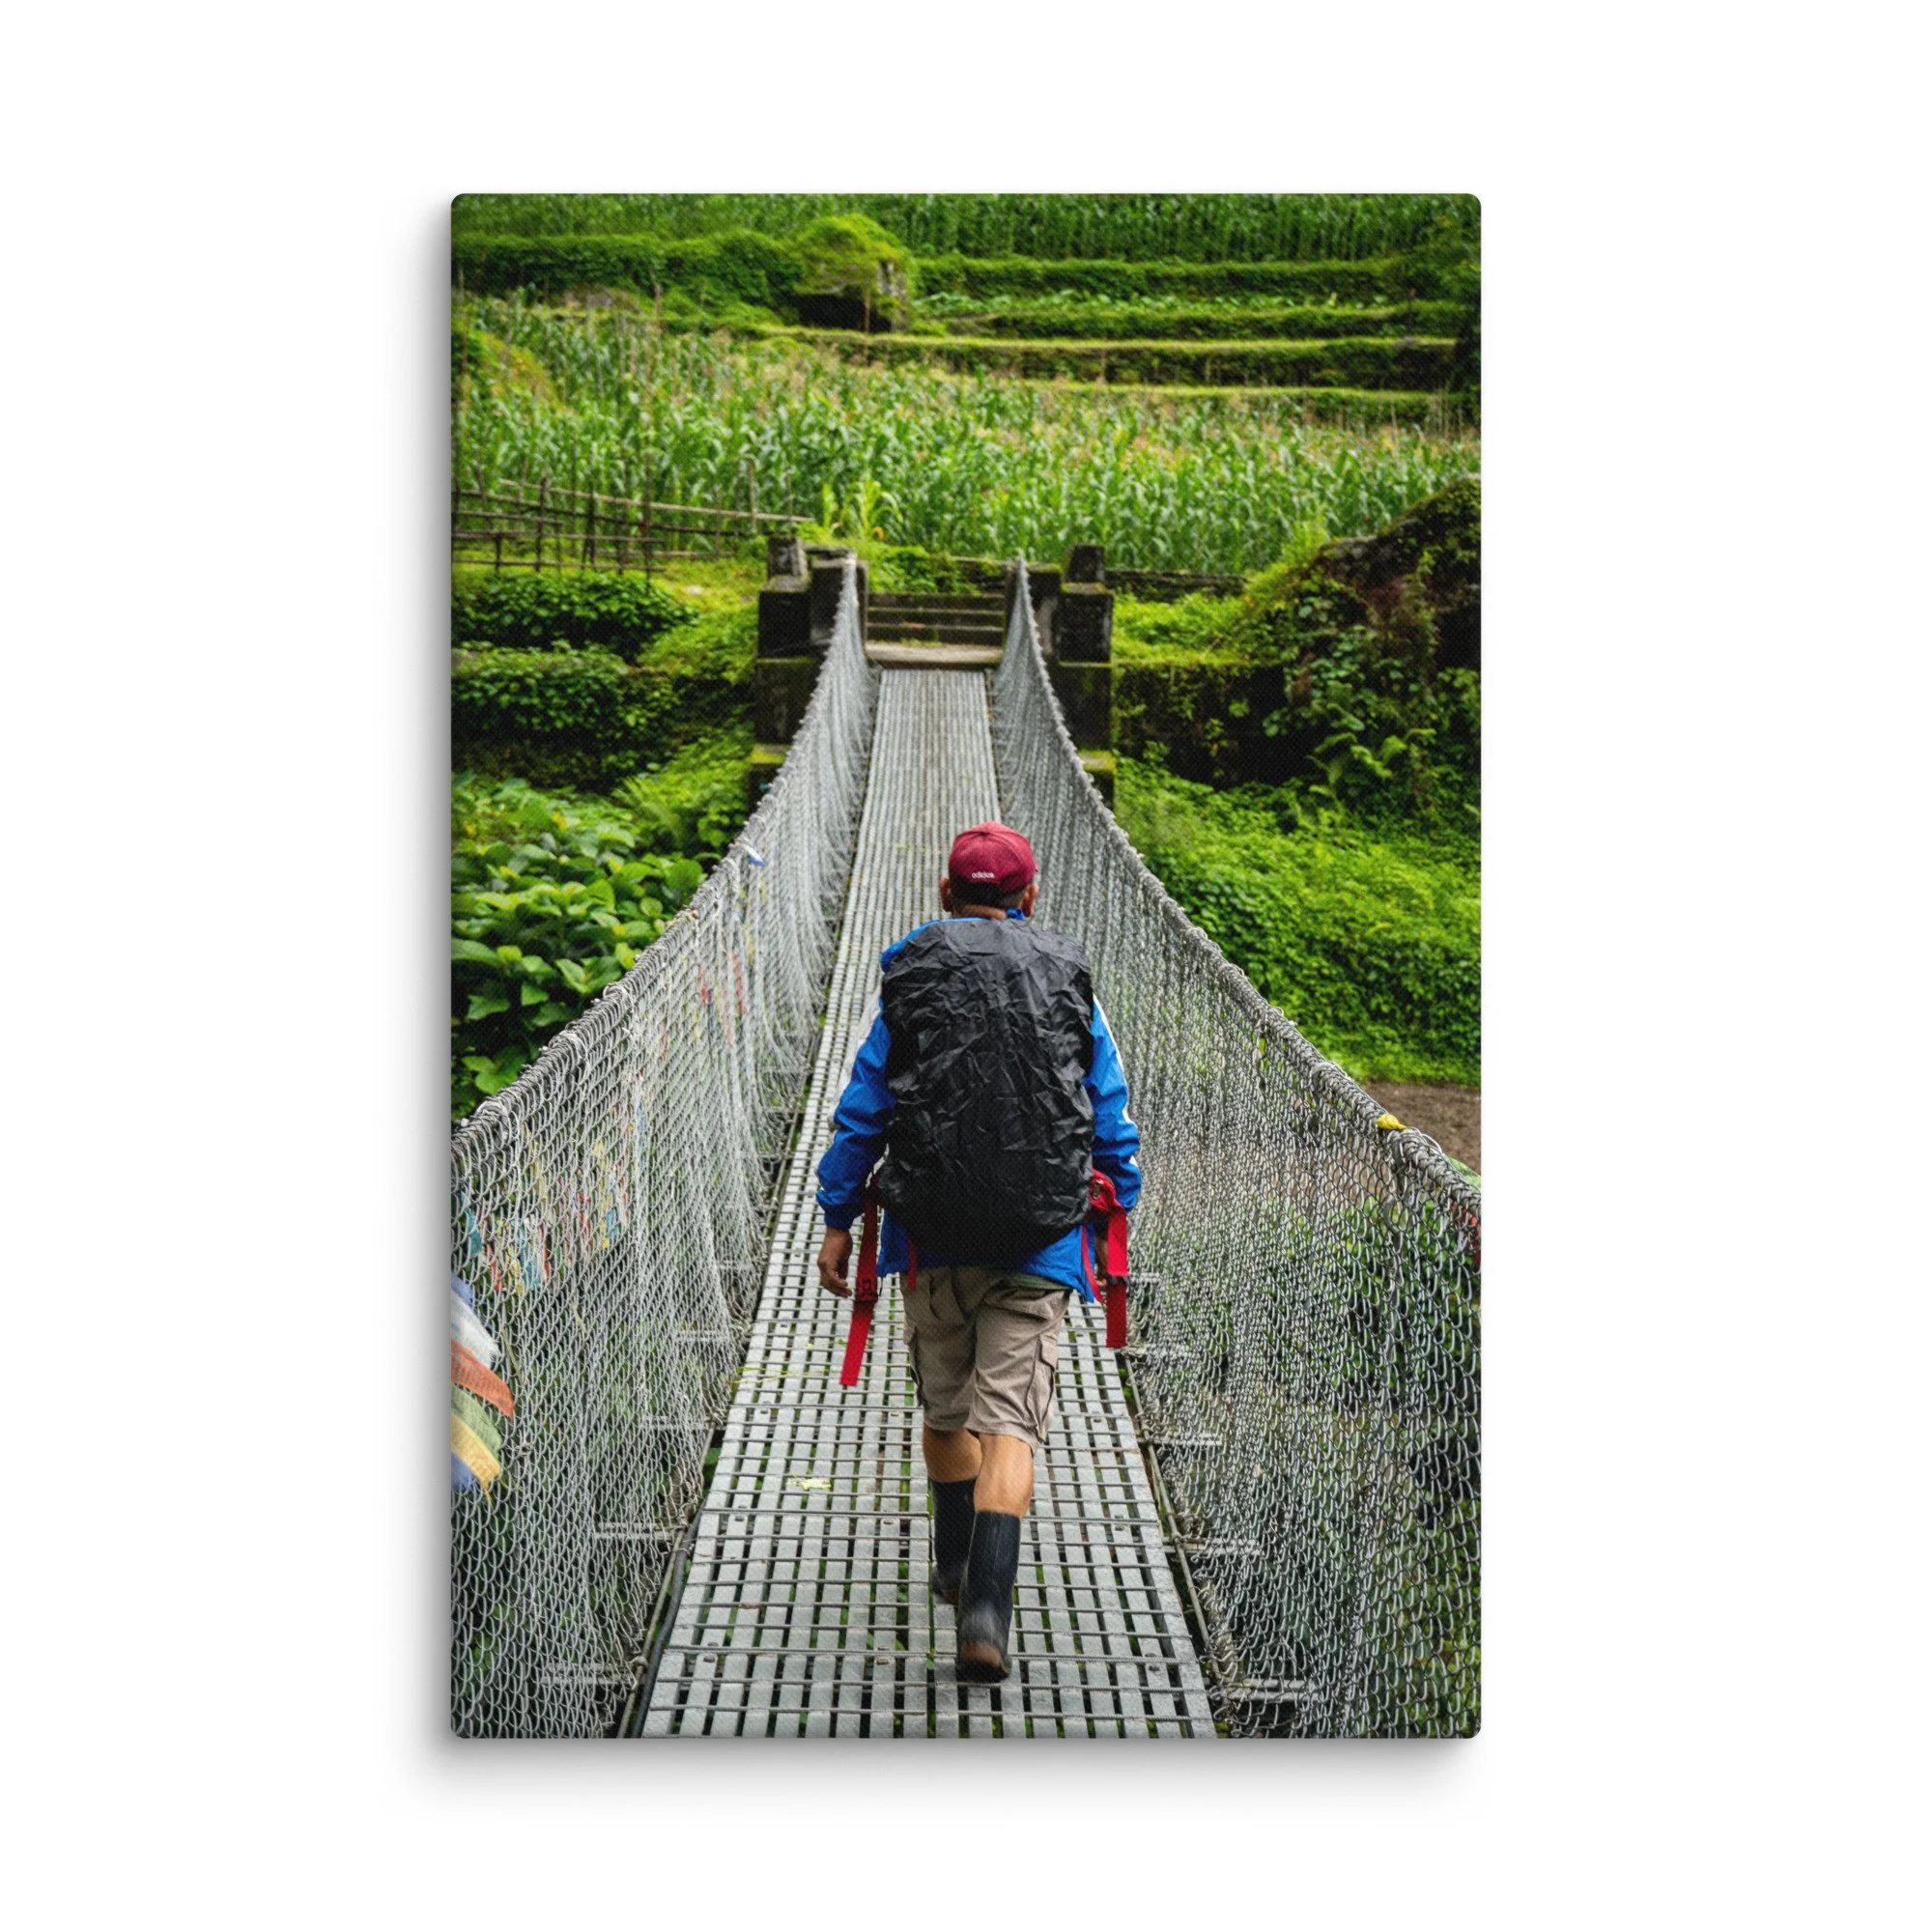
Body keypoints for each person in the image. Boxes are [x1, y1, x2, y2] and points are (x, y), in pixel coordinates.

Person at [815, 822, 1141, 1683]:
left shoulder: (909, 972)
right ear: (1031, 897)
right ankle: (988, 1617)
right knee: (1013, 1424)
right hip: (1039, 1235)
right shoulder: (1071, 977)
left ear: (943, 893)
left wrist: (838, 1215)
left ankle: (957, 1567)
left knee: (946, 1409)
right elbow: (1106, 1103)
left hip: (933, 1233)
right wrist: (1120, 1206)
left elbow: (865, 1105)